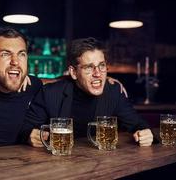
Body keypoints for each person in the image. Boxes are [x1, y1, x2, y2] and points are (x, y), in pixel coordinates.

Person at [20, 37, 154, 147]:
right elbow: (25, 128)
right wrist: (29, 136)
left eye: (101, 66)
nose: (98, 74)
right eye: (89, 68)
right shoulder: (50, 93)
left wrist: (145, 133)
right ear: (73, 72)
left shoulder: (113, 91)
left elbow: (138, 124)